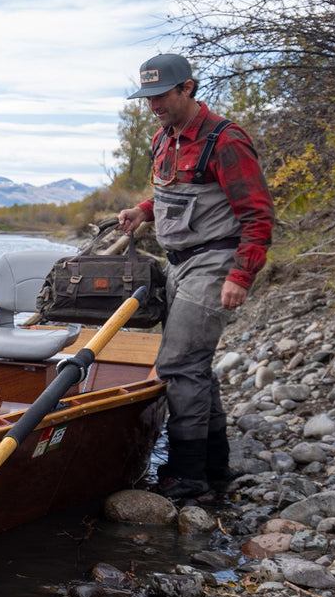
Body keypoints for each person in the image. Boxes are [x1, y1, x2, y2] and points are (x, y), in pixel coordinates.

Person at [117, 53, 274, 502]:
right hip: (177, 263)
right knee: (194, 365)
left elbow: (258, 216)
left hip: (215, 262)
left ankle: (187, 476)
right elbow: (172, 194)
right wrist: (142, 211)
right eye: (147, 97)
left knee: (177, 366)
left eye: (161, 95)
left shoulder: (226, 141)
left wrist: (240, 276)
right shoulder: (162, 139)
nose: (153, 105)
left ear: (187, 88)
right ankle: (213, 465)